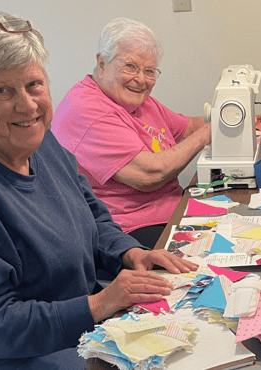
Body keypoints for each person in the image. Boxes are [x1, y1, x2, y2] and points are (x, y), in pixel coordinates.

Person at [0, 12, 197, 369]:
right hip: (11, 353)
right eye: (2, 90)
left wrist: (129, 253)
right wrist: (99, 306)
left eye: (34, 85)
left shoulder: (35, 137)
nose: (27, 105)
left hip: (76, 317)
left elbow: (90, 211)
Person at [51, 18, 211, 249]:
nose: (141, 80)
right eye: (130, 67)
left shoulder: (137, 101)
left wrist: (236, 121)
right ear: (102, 63)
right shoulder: (86, 109)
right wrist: (208, 134)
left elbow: (189, 128)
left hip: (170, 211)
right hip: (128, 232)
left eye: (149, 71)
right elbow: (149, 175)